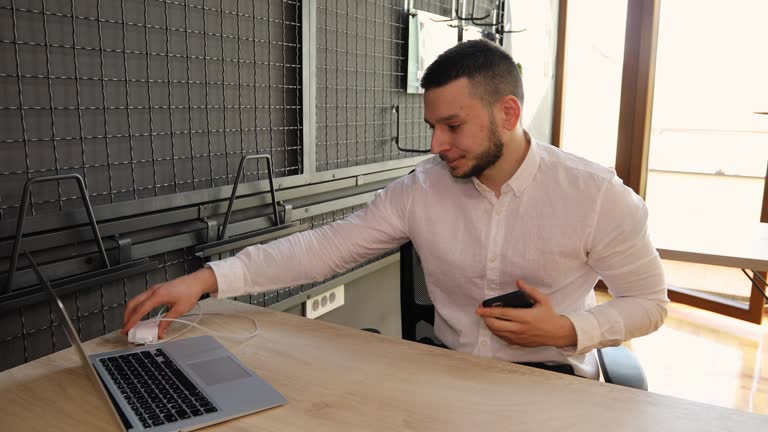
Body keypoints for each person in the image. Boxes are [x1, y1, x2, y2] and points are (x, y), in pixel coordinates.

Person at [122, 39, 667, 379]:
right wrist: (208, 278)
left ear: (509, 112)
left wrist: (568, 329)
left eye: (453, 126)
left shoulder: (597, 195)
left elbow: (650, 304)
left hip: (552, 384)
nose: (436, 145)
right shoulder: (422, 189)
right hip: (444, 377)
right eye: (432, 127)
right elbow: (324, 248)